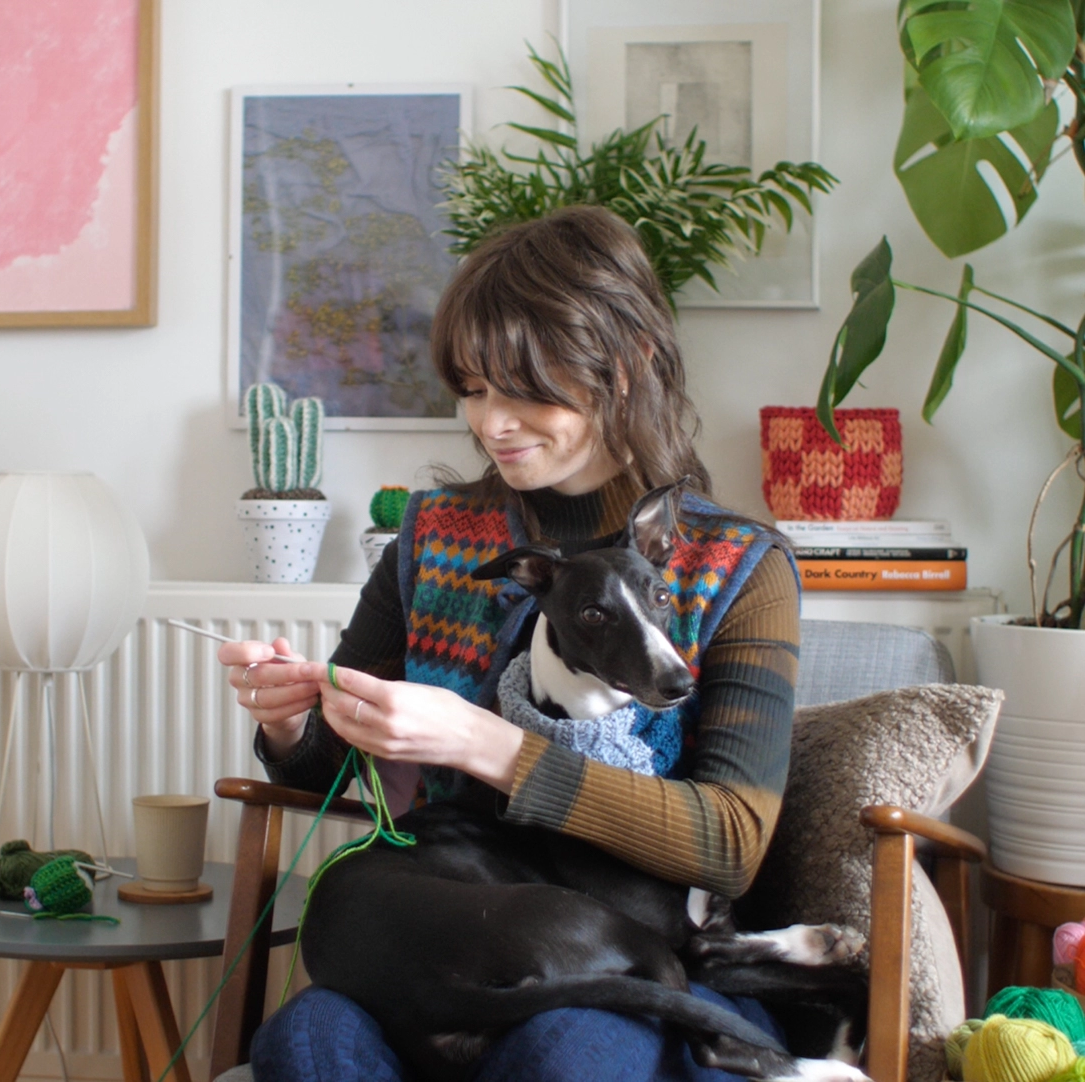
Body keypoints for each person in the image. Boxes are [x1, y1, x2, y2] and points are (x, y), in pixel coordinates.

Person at [218, 205, 801, 1082]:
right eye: (473, 388)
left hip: (632, 951)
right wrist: (291, 726)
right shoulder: (434, 538)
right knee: (307, 1046)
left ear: (631, 361)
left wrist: (492, 746)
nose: (492, 423)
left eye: (526, 389)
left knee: (561, 1052)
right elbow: (331, 769)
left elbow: (729, 841)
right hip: (450, 938)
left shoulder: (740, 568)